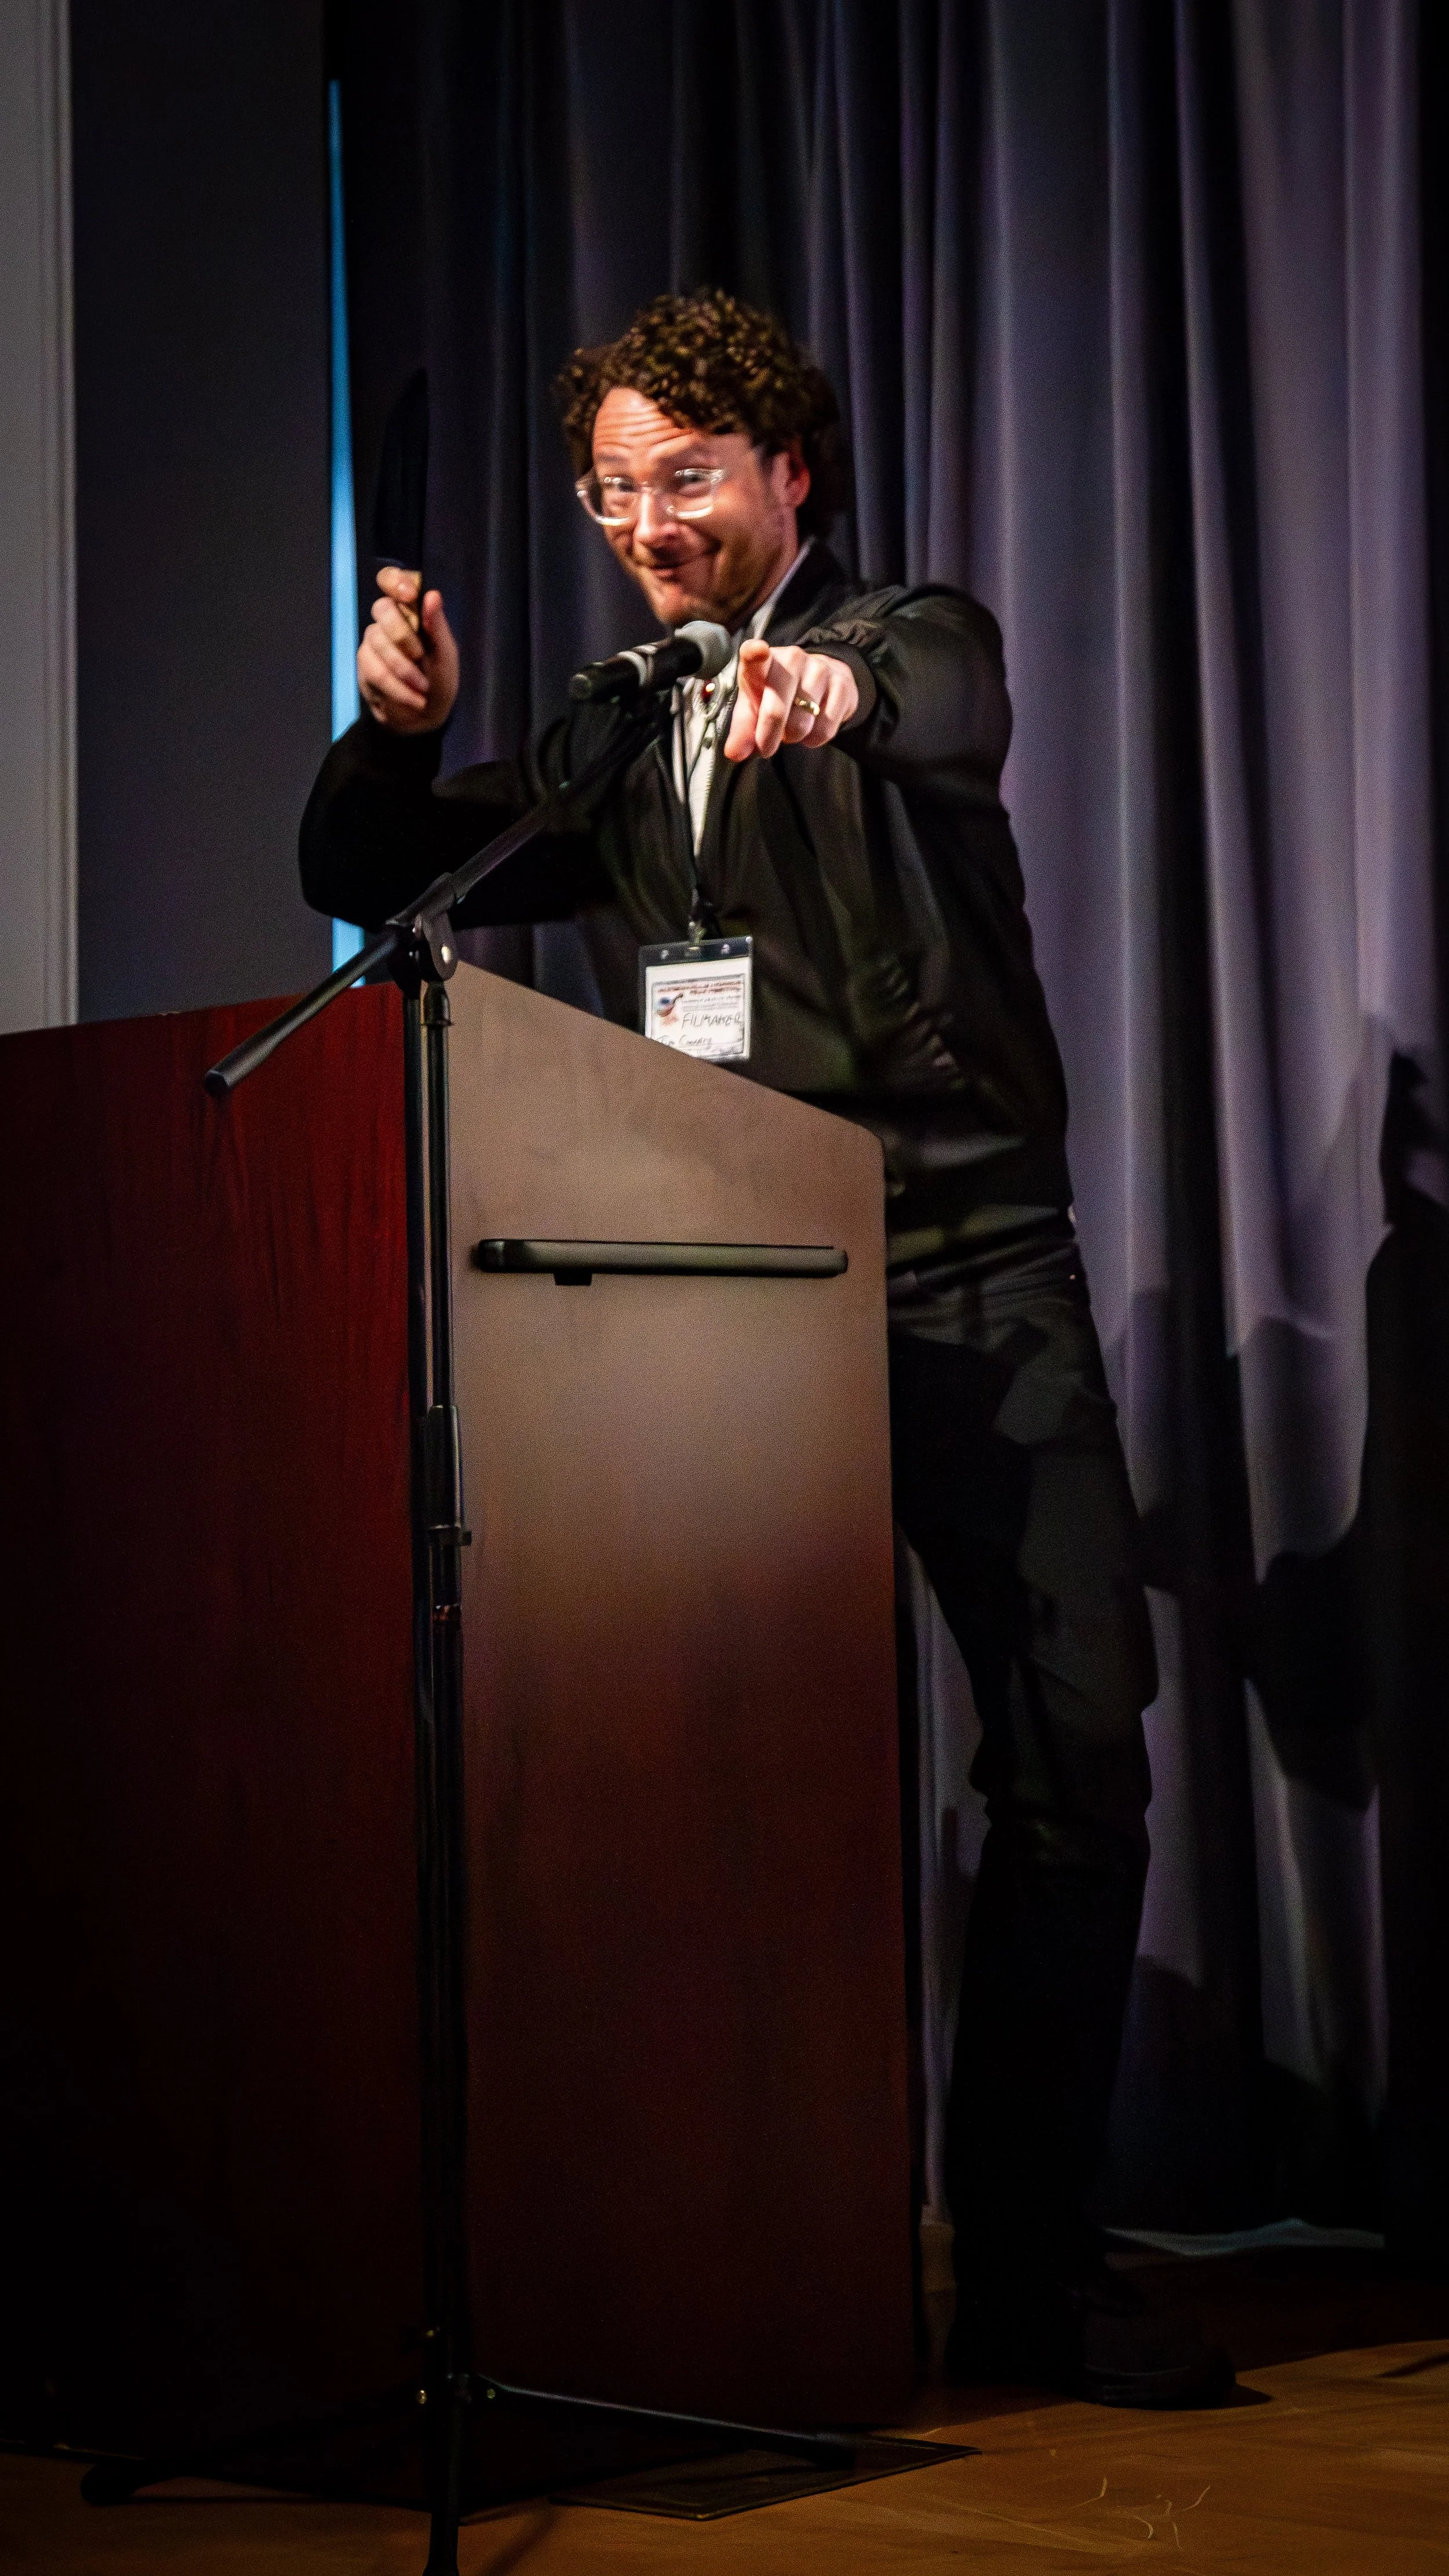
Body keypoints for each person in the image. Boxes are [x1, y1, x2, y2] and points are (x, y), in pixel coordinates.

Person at [301, 288, 1229, 2410]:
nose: (647, 522)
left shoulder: (909, 635)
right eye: (612, 492)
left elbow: (943, 701)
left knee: (1074, 1751)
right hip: (727, 1304)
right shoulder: (617, 725)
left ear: (788, 473)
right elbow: (368, 873)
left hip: (971, 1270)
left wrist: (824, 679)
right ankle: (729, 2256)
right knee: (710, 1781)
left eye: (686, 479)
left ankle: (1024, 2272)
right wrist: (393, 729)